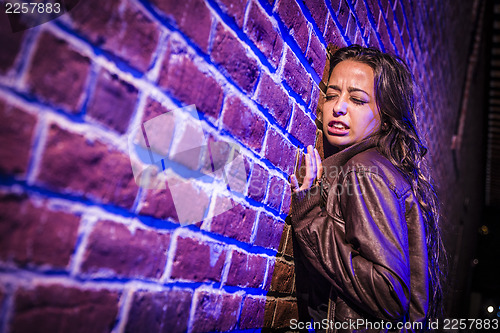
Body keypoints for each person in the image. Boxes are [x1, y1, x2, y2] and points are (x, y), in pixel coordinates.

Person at [289, 45, 444, 332]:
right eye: (332, 95)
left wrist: (309, 217)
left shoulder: (365, 170)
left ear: (385, 117)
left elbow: (389, 295)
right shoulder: (382, 167)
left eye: (358, 100)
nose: (339, 107)